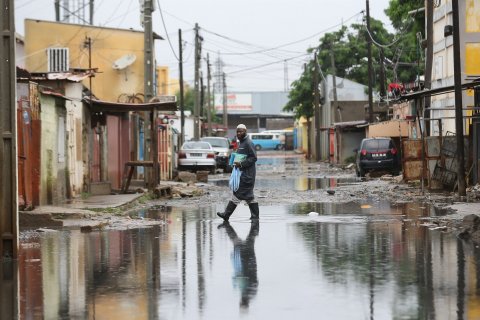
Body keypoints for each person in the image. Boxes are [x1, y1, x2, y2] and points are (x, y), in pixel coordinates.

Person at [217, 124, 259, 220]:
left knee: (238, 194)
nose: (239, 133)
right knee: (249, 196)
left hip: (247, 175)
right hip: (243, 174)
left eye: (241, 131)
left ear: (245, 131)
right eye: (238, 131)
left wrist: (241, 164)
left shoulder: (248, 143)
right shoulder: (242, 143)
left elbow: (253, 158)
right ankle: (255, 216)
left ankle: (226, 215)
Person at [218, 221, 259, 309]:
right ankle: (255, 221)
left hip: (249, 259)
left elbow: (240, 274)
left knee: (251, 236)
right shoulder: (247, 290)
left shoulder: (250, 292)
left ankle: (255, 222)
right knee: (238, 239)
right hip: (245, 259)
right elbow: (238, 274)